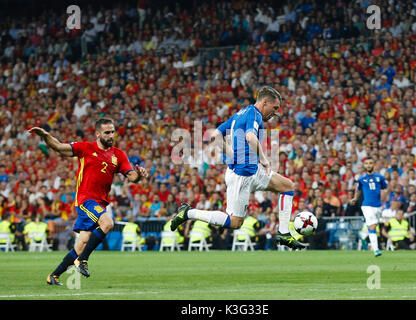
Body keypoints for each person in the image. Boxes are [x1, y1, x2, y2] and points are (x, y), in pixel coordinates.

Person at [170, 86, 304, 249]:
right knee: (235, 223)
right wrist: (265, 160)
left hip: (251, 170)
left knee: (288, 186)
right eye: (274, 108)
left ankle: (284, 234)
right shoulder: (254, 115)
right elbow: (250, 137)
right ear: (265, 102)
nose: (275, 113)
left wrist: (232, 154)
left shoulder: (240, 114)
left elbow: (214, 136)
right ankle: (188, 213)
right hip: (243, 175)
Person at [29, 117, 148, 285]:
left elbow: (132, 176)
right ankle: (82, 261)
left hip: (100, 203)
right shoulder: (85, 148)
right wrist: (46, 135)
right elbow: (58, 147)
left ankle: (53, 276)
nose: (111, 135)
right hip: (85, 199)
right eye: (107, 132)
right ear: (98, 134)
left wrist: (140, 175)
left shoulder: (118, 154)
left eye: (112, 132)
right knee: (108, 223)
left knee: (82, 243)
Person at [350, 157, 388, 257]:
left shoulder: (380, 177)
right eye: (366, 163)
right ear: (364, 166)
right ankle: (376, 250)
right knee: (372, 226)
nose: (368, 165)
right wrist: (355, 198)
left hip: (378, 206)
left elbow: (385, 188)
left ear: (373, 165)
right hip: (367, 205)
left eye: (370, 163)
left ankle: (364, 235)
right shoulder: (362, 179)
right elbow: (358, 189)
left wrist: (384, 198)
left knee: (374, 226)